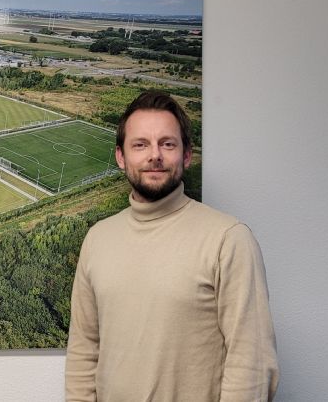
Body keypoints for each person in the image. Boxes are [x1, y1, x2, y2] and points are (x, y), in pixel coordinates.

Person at [65, 91, 279, 401]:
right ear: (121, 157)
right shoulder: (97, 239)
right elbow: (84, 351)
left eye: (167, 144)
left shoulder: (228, 239)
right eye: (140, 145)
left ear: (187, 155)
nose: (155, 155)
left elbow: (252, 363)